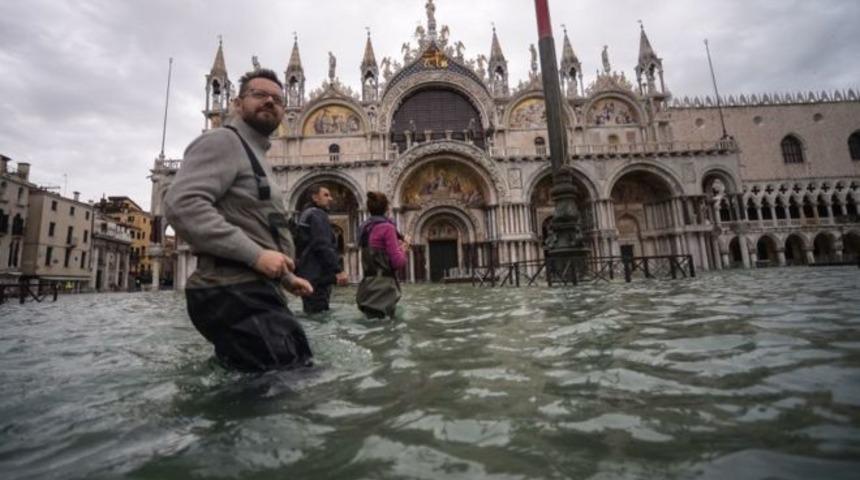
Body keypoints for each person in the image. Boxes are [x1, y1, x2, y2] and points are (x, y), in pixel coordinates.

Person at [164, 68, 315, 372]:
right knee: (284, 388)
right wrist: (256, 256)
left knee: (283, 377)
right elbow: (182, 204)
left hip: (250, 290)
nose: (269, 102)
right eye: (259, 95)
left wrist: (286, 277)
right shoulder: (223, 141)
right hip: (233, 291)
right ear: (236, 103)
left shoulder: (255, 154)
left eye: (277, 98)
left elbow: (258, 223)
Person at [295, 185, 348, 314]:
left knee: (311, 313)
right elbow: (322, 245)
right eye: (326, 195)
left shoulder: (306, 214)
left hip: (307, 276)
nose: (330, 198)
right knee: (319, 315)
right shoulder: (317, 215)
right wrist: (338, 270)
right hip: (317, 278)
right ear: (315, 198)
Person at [355, 192, 409, 318]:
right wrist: (405, 247)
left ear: (369, 209)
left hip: (367, 287)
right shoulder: (387, 228)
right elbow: (398, 262)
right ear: (387, 208)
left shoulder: (364, 228)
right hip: (383, 289)